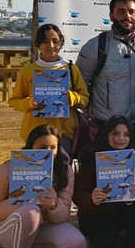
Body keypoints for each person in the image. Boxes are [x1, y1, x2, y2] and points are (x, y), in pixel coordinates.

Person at [0, 125, 86, 248]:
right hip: (9, 227)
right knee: (31, 211)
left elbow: (64, 214)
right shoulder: (9, 168)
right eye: (42, 148)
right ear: (31, 147)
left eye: (53, 148)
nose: (48, 153)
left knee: (76, 244)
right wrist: (18, 202)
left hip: (44, 226)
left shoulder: (64, 170)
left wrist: (53, 204)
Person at [73, 116, 135, 248]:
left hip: (123, 211)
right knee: (106, 242)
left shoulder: (134, 157)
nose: (121, 139)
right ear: (106, 134)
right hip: (97, 215)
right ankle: (103, 247)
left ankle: (130, 245)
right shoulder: (91, 157)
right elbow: (78, 193)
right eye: (115, 133)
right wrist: (91, 198)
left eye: (126, 134)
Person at [76, 0, 135, 128]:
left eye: (131, 12)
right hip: (105, 124)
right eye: (121, 12)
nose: (127, 16)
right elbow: (80, 85)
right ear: (111, 16)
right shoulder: (95, 46)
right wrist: (87, 118)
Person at [9, 24, 89, 156]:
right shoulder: (28, 71)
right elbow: (14, 101)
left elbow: (85, 99)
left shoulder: (71, 70)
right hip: (35, 134)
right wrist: (29, 103)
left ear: (61, 44)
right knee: (37, 173)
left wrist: (72, 98)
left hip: (64, 135)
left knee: (62, 173)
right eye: (45, 41)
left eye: (55, 41)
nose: (51, 46)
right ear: (37, 44)